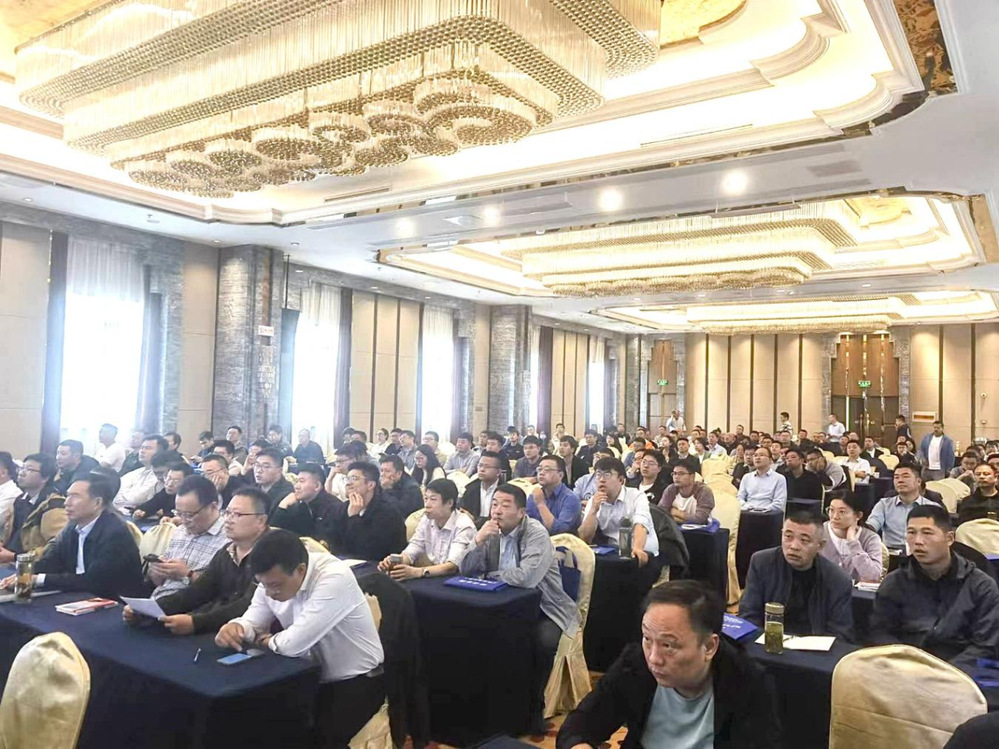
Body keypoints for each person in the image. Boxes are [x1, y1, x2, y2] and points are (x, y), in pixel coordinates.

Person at [557, 580, 781, 749]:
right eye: (647, 638)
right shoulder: (635, 664)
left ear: (709, 647)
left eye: (668, 645)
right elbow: (578, 726)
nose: (654, 658)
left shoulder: (747, 683)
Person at [217, 529, 385, 748]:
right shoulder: (272, 579)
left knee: (314, 740)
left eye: (275, 586)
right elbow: (254, 620)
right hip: (306, 676)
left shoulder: (334, 577)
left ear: (301, 570)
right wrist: (237, 627)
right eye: (262, 584)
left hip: (355, 681)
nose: (268, 593)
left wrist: (264, 641)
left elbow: (293, 644)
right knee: (261, 725)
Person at [460, 484, 581, 734]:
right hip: (502, 606)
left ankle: (533, 709)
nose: (497, 511)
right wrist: (478, 541)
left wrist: (490, 576)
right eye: (495, 504)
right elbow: (466, 571)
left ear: (521, 512)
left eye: (505, 506)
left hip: (545, 607)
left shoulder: (536, 533)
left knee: (541, 641)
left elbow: (527, 578)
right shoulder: (489, 531)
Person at [124, 487, 270, 636]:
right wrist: (147, 610)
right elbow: (199, 591)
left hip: (243, 632)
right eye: (227, 513)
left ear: (261, 520)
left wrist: (195, 623)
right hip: (212, 624)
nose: (228, 520)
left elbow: (246, 605)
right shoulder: (227, 551)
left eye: (237, 515)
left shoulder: (270, 554)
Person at [871, 504, 999, 672]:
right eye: (911, 532)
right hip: (905, 670)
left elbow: (985, 645)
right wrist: (907, 666)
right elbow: (880, 633)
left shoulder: (981, 586)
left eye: (927, 533)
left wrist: (942, 673)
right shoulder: (894, 582)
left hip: (961, 674)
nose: (918, 541)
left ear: (949, 538)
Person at [1, 474, 143, 600]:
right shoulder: (72, 527)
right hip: (79, 594)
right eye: (68, 495)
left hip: (115, 603)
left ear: (97, 503)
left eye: (75, 497)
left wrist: (38, 579)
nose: (66, 502)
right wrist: (25, 573)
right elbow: (51, 561)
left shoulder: (114, 532)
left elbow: (94, 581)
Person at [739, 511, 854, 641]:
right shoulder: (762, 562)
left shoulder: (838, 579)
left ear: (820, 545)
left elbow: (840, 632)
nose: (794, 546)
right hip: (767, 642)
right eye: (788, 537)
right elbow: (748, 615)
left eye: (804, 540)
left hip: (814, 648)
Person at [145, 475, 228, 599]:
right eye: (179, 513)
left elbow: (223, 592)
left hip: (193, 607)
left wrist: (187, 575)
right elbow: (161, 584)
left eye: (189, 515)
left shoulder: (229, 540)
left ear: (213, 507)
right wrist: (158, 573)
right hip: (158, 601)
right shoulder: (179, 531)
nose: (184, 521)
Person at [378, 478, 475, 580]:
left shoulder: (463, 525)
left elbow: (452, 566)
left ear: (449, 503)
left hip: (459, 579)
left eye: (433, 499)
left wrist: (417, 572)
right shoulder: (427, 520)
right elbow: (413, 550)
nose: (427, 505)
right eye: (425, 499)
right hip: (436, 577)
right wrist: (396, 562)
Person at [578, 458, 660, 569]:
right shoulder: (594, 500)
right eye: (598, 475)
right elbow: (584, 538)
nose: (601, 480)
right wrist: (593, 510)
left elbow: (640, 524)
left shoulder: (636, 496)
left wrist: (637, 548)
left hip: (643, 552)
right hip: (615, 553)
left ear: (621, 480)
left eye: (607, 475)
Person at [329, 462, 406, 561]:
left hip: (377, 565)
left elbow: (368, 551)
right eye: (347, 479)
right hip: (344, 562)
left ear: (370, 485)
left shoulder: (388, 512)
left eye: (354, 478)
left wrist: (354, 518)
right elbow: (334, 542)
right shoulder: (343, 507)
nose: (348, 483)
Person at [0, 453, 65, 563]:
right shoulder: (20, 500)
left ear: (45, 477)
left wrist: (15, 557)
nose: (21, 473)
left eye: (29, 469)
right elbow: (12, 537)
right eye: (22, 468)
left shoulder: (54, 505)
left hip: (29, 566)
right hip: (9, 561)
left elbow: (56, 547)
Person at [866, 463, 938, 548]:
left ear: (918, 481)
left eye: (905, 476)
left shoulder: (932, 508)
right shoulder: (884, 504)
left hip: (921, 551)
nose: (900, 480)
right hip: (891, 553)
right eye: (896, 477)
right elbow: (873, 524)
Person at [820, 494, 884, 583]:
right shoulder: (819, 532)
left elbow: (873, 576)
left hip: (856, 591)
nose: (835, 516)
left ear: (858, 515)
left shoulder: (870, 538)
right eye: (831, 510)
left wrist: (853, 542)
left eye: (842, 512)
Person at [270, 463, 338, 545]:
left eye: (301, 481)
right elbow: (274, 535)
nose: (296, 486)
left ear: (317, 486)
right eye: (296, 481)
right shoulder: (300, 505)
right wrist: (282, 507)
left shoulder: (333, 508)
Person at [526, 455, 582, 535]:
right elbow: (525, 523)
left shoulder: (571, 498)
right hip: (536, 539)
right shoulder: (535, 495)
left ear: (560, 475)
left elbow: (559, 531)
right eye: (540, 469)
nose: (541, 473)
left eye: (547, 470)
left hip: (561, 542)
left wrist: (541, 504)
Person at [112, 434, 167, 512]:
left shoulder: (159, 475)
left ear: (161, 452)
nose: (142, 451)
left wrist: (123, 495)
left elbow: (134, 499)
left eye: (148, 448)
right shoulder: (136, 472)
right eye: (142, 447)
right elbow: (114, 491)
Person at [658, 459, 714, 525]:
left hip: (701, 529)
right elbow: (660, 513)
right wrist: (681, 519)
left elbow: (700, 519)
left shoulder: (703, 491)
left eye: (681, 474)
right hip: (676, 527)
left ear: (692, 477)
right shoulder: (671, 489)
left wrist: (676, 512)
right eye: (674, 473)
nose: (676, 477)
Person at [459, 450, 503, 528]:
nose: (482, 469)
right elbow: (463, 511)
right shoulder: (470, 488)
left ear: (498, 472)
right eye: (480, 465)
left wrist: (475, 520)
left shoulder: (505, 491)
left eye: (487, 467)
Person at [736, 447, 787, 512]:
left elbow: (779, 502)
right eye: (755, 455)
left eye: (761, 455)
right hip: (748, 511)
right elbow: (740, 497)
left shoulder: (779, 478)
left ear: (770, 460)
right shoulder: (747, 477)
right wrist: (747, 506)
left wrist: (762, 509)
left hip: (769, 513)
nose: (757, 458)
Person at [253, 447, 294, 516]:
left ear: (280, 471)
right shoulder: (253, 489)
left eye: (266, 466)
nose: (259, 470)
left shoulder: (287, 494)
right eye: (257, 465)